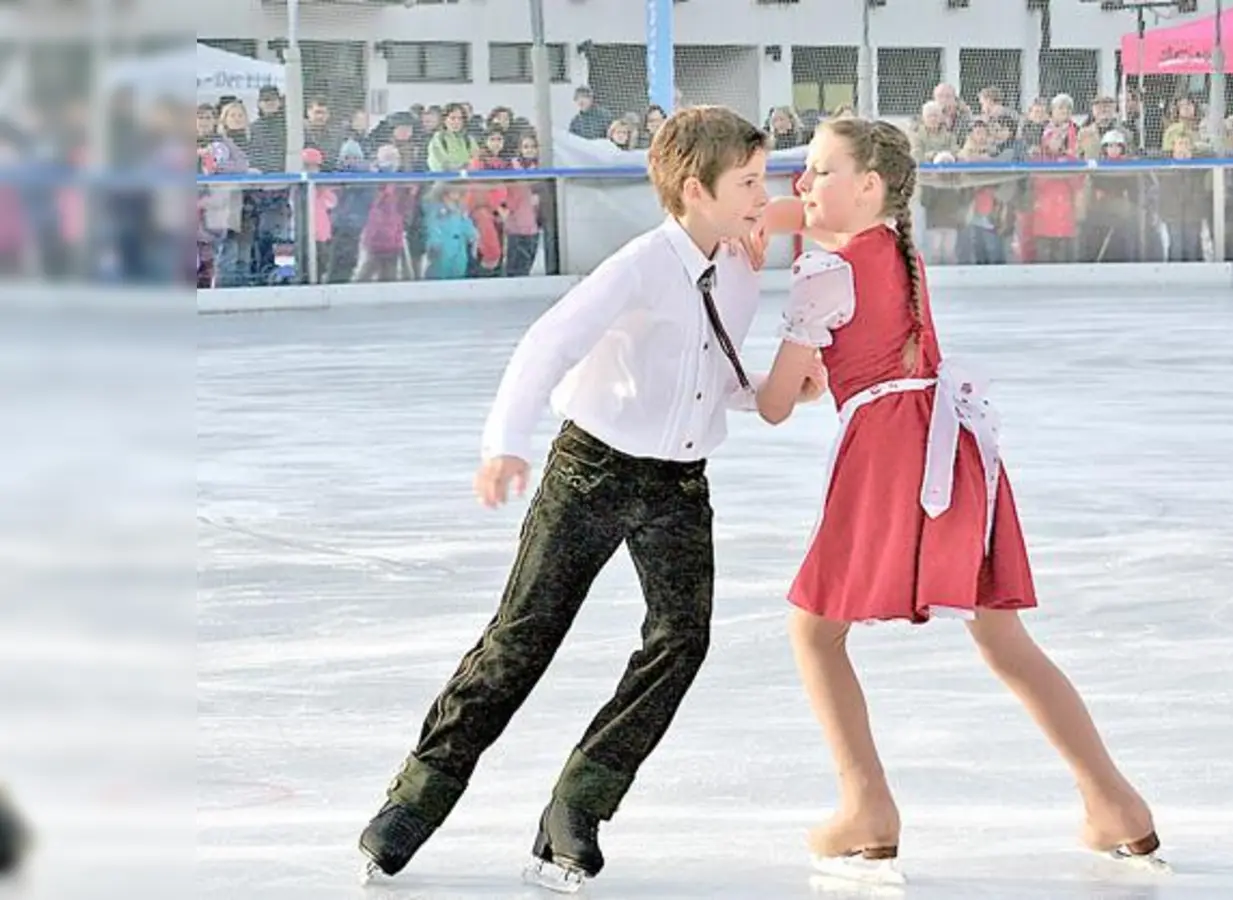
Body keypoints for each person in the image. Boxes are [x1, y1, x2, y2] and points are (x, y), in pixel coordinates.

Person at [357, 105, 825, 889]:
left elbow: (702, 370)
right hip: (591, 471)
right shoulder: (640, 265)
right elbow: (548, 344)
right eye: (747, 181)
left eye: (763, 176)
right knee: (521, 641)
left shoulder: (741, 260)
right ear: (693, 189)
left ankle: (577, 807)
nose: (763, 193)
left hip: (679, 483)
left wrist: (764, 393)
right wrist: (503, 445)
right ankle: (415, 800)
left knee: (681, 639)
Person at [751, 117, 1162, 881]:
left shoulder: (823, 273)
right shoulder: (891, 246)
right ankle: (1115, 802)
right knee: (1000, 638)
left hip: (890, 452)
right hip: (954, 448)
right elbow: (804, 240)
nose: (800, 185)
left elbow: (778, 400)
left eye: (818, 169)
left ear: (868, 185)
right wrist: (761, 226)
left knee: (814, 634)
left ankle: (866, 804)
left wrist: (730, 389)